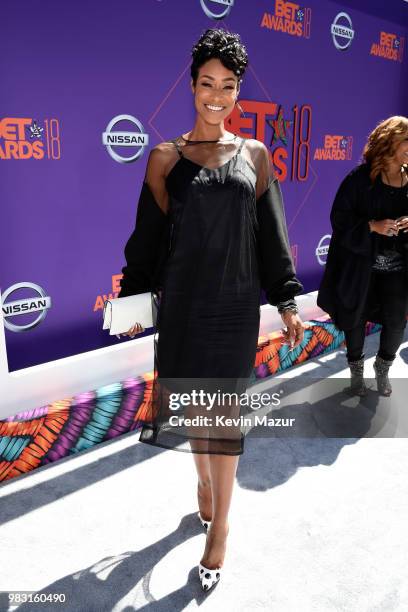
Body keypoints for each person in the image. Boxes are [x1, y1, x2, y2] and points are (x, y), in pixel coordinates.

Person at [117, 28, 304, 591]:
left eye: (227, 86)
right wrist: (130, 298)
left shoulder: (256, 155)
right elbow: (146, 242)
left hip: (234, 310)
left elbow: (273, 236)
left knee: (223, 421)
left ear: (238, 92)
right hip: (184, 308)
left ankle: (220, 529)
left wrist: (287, 298)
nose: (215, 95)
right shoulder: (164, 158)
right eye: (206, 83)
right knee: (198, 415)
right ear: (192, 85)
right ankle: (203, 485)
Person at [317, 116, 408, 397]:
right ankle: (357, 374)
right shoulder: (359, 179)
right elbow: (339, 218)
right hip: (361, 266)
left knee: (396, 321)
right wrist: (372, 226)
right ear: (390, 142)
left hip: (398, 270)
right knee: (355, 319)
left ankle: (382, 369)